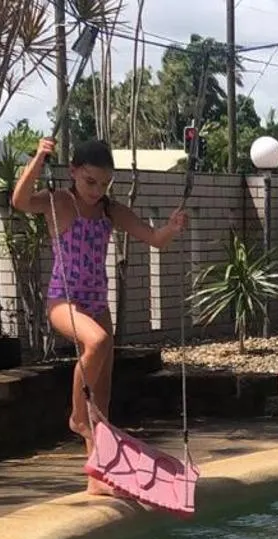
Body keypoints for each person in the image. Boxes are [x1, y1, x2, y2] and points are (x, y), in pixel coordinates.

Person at [10, 136, 188, 495]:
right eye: (90, 181)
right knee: (99, 341)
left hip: (97, 304)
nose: (96, 190)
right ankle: (77, 417)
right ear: (73, 172)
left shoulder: (110, 211)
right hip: (65, 302)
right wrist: (38, 159)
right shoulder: (60, 203)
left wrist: (171, 227)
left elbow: (154, 239)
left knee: (102, 401)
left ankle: (97, 478)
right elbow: (19, 201)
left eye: (104, 183)